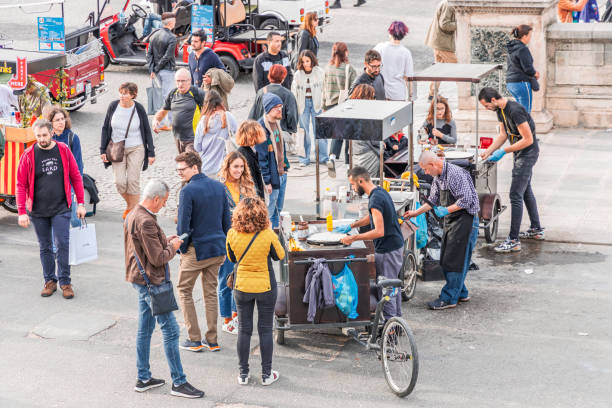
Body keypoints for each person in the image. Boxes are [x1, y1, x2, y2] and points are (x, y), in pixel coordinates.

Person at [125, 179, 205, 398]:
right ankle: (179, 382)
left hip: (139, 279)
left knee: (145, 328)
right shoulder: (146, 221)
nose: (164, 206)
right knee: (170, 330)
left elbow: (143, 248)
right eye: (164, 202)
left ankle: (143, 377)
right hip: (151, 282)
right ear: (156, 198)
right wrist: (174, 246)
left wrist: (164, 240)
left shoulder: (133, 214)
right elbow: (158, 258)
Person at [16, 119, 86, 299]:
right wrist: (22, 211)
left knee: (63, 243)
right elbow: (20, 184)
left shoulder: (63, 150)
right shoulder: (28, 155)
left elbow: (76, 177)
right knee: (45, 246)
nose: (41, 139)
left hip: (61, 207)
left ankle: (65, 282)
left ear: (51, 133)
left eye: (44, 135)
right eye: (38, 136)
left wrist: (81, 203)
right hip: (38, 210)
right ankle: (49, 281)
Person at [403, 151, 480, 310]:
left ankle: (449, 297)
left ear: (432, 164)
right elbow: (432, 200)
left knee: (456, 260)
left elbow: (466, 200)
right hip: (453, 220)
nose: (425, 172)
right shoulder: (438, 178)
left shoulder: (455, 174)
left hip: (467, 220)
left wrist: (446, 210)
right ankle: (461, 292)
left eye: (425, 169)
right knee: (447, 257)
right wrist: (414, 213)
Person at [175, 152, 231, 353]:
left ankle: (194, 338)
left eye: (182, 169)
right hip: (217, 248)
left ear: (195, 167)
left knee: (184, 291)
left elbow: (183, 226)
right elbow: (227, 221)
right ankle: (212, 339)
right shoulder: (219, 186)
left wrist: (181, 248)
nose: (179, 173)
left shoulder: (188, 191)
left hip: (196, 249)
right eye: (178, 170)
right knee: (210, 293)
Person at [226, 196, 285, 386]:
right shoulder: (267, 235)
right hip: (265, 286)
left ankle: (243, 374)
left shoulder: (232, 234)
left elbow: (232, 258)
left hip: (242, 286)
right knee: (265, 329)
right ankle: (267, 374)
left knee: (244, 330)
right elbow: (280, 255)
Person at [478, 87, 543, 253]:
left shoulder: (515, 110)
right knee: (525, 190)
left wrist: (504, 151)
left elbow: (528, 139)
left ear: (493, 100)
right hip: (518, 153)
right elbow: (503, 135)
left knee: (515, 194)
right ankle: (536, 228)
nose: (487, 109)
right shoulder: (500, 110)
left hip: (527, 153)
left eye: (486, 106)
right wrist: (489, 151)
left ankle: (513, 240)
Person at [338, 167, 403, 319]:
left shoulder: (375, 199)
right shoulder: (379, 191)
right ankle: (397, 322)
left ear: (360, 181)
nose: (353, 189)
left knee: (386, 290)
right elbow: (373, 217)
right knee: (393, 287)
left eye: (353, 185)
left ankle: (390, 329)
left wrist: (353, 238)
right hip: (394, 246)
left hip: (388, 250)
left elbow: (379, 231)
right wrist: (353, 225)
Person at [101, 82, 156, 219]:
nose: (122, 95)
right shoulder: (113, 106)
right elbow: (105, 128)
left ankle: (133, 213)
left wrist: (151, 152)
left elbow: (147, 131)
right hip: (116, 148)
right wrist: (102, 150)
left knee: (133, 181)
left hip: (136, 147)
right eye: (120, 92)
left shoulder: (139, 109)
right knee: (119, 182)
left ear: (133, 95)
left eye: (125, 93)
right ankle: (132, 206)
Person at [217, 151, 256, 335]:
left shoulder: (247, 186)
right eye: (235, 167)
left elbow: (255, 210)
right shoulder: (220, 187)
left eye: (241, 167)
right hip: (226, 238)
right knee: (225, 279)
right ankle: (226, 318)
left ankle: (236, 315)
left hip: (244, 238)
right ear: (228, 167)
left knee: (239, 279)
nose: (238, 170)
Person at [46, 106, 83, 231]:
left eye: (63, 119)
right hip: (51, 185)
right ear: (51, 123)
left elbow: (78, 165)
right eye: (57, 120)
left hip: (69, 184)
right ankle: (54, 248)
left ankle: (80, 241)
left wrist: (77, 188)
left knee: (74, 218)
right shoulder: (47, 139)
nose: (61, 122)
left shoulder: (72, 138)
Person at [255, 93, 289, 229]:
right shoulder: (261, 127)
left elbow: (282, 148)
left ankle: (275, 237)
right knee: (269, 212)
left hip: (282, 173)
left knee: (278, 209)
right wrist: (267, 181)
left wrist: (286, 167)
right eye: (276, 107)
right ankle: (268, 239)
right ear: (268, 109)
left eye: (281, 107)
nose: (280, 110)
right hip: (272, 177)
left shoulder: (276, 124)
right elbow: (261, 158)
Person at [153, 68, 205, 153]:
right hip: (178, 138)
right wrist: (156, 120)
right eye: (178, 81)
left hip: (193, 139)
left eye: (183, 81)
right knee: (184, 163)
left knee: (189, 163)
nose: (180, 84)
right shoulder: (173, 93)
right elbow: (164, 110)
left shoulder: (197, 93)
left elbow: (214, 107)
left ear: (189, 80)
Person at [325, 42, 357, 169]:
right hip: (344, 105)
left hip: (330, 105)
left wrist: (324, 105)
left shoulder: (328, 68)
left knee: (337, 132)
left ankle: (332, 157)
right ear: (346, 53)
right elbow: (355, 89)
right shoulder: (349, 69)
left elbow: (324, 87)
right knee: (349, 133)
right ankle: (349, 163)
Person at [291, 50, 327, 166]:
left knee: (320, 131)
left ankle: (323, 157)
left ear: (312, 60)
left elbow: (325, 89)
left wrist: (324, 104)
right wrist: (295, 107)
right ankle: (304, 158)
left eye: (308, 61)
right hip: (303, 104)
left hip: (317, 103)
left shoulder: (319, 72)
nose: (306, 63)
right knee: (304, 131)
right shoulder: (298, 74)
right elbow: (294, 91)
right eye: (303, 61)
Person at [193, 90, 238, 178]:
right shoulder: (228, 116)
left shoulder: (203, 121)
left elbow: (197, 147)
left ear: (205, 104)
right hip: (225, 167)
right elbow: (237, 134)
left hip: (206, 168)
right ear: (220, 102)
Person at [248, 65, 298, 136]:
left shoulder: (261, 92)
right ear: (283, 78)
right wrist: (290, 130)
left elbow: (253, 113)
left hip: (262, 132)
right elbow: (292, 115)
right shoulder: (288, 95)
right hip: (280, 133)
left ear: (269, 76)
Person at [146, 12, 177, 130]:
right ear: (170, 23)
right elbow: (167, 56)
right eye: (174, 21)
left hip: (157, 71)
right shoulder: (172, 38)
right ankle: (164, 123)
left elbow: (149, 54)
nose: (175, 23)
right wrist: (157, 68)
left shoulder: (154, 34)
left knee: (163, 96)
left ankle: (167, 121)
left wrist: (152, 70)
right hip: (167, 70)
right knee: (168, 97)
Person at [374, 21, 416, 101]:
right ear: (403, 35)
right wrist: (411, 96)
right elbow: (409, 77)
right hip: (398, 93)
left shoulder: (380, 48)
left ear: (390, 33)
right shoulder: (406, 52)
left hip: (381, 91)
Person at [424, 0, 457, 100]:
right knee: (459, 68)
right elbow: (445, 24)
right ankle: (467, 94)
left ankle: (432, 94)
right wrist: (460, 23)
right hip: (442, 43)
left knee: (439, 69)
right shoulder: (448, 4)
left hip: (439, 42)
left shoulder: (446, 3)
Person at [349, 84, 381, 178]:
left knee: (358, 184)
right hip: (368, 154)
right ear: (367, 97)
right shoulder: (367, 114)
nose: (375, 99)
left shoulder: (352, 111)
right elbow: (373, 138)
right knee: (368, 184)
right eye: (373, 97)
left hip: (356, 154)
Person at [506, 25, 539, 114]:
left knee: (519, 112)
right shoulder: (523, 49)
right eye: (529, 36)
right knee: (525, 113)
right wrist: (535, 73)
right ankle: (525, 128)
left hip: (511, 84)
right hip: (521, 83)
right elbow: (528, 68)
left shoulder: (511, 47)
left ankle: (517, 128)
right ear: (524, 36)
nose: (530, 38)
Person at [236, 120, 267, 199]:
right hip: (252, 198)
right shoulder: (244, 154)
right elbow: (251, 180)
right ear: (253, 135)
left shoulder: (252, 150)